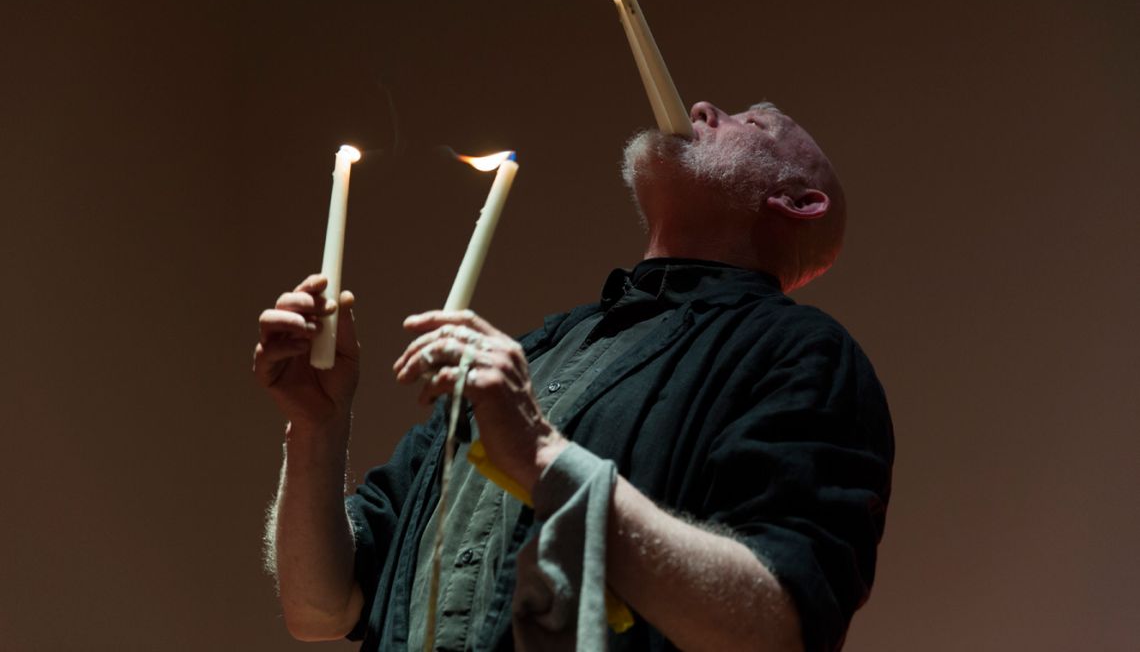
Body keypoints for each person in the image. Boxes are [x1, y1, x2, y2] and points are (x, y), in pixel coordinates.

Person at [254, 101, 894, 652]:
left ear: (798, 201)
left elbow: (778, 628)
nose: (701, 111)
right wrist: (316, 427)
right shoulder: (534, 353)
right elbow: (320, 606)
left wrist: (540, 455)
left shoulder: (803, 355)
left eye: (749, 122)